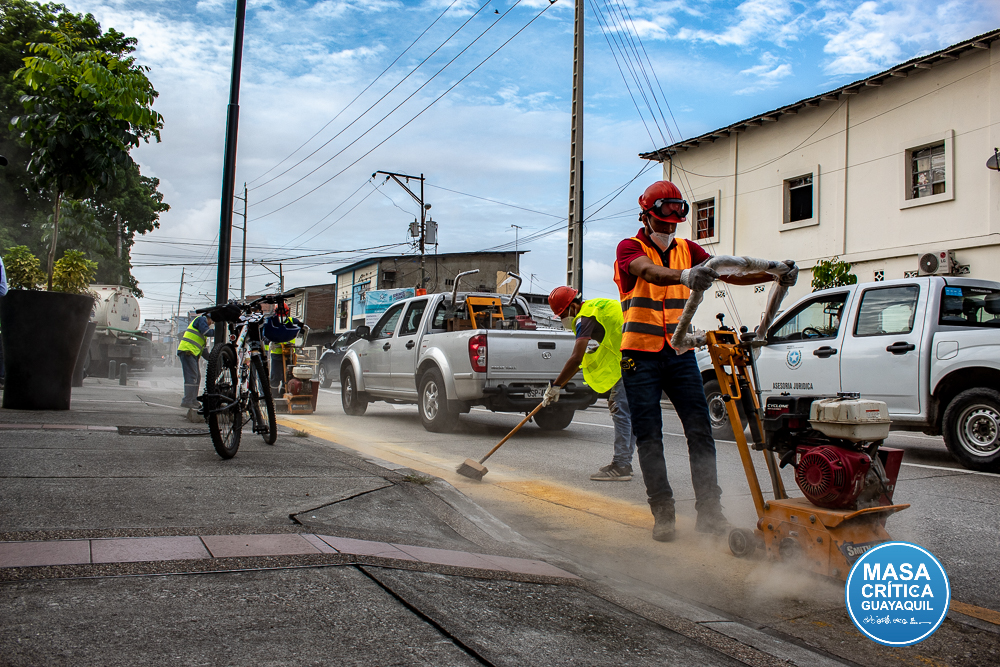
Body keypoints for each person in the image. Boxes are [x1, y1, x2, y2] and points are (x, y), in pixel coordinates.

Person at [615, 180, 797, 542]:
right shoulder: (629, 248)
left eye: (675, 220)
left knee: (700, 431)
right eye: (663, 220)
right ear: (647, 216)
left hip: (679, 352)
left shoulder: (687, 247)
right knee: (650, 435)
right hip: (639, 354)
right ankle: (663, 511)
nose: (670, 226)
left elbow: (729, 272)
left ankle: (710, 514)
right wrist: (685, 276)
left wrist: (776, 273)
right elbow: (649, 272)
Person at [544, 286, 636, 481]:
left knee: (620, 409)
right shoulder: (598, 307)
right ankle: (624, 461)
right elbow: (586, 358)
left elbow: (577, 358)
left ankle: (621, 465)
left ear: (572, 308)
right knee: (629, 411)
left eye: (561, 315)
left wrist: (555, 386)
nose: (563, 320)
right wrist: (559, 384)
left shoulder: (584, 317)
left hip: (632, 357)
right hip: (639, 353)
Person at [176, 312, 214, 409]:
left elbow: (204, 351)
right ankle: (187, 400)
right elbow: (207, 332)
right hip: (187, 351)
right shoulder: (201, 320)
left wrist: (212, 359)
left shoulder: (202, 334)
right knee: (192, 376)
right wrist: (218, 332)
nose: (211, 324)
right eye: (211, 321)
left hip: (191, 353)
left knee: (197, 377)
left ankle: (193, 400)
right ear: (208, 318)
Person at [267, 304, 303, 390]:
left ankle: (284, 391)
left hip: (289, 353)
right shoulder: (273, 322)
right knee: (275, 376)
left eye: (283, 312)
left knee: (287, 376)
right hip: (276, 353)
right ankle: (273, 395)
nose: (281, 314)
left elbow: (301, 327)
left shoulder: (292, 321)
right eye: (279, 312)